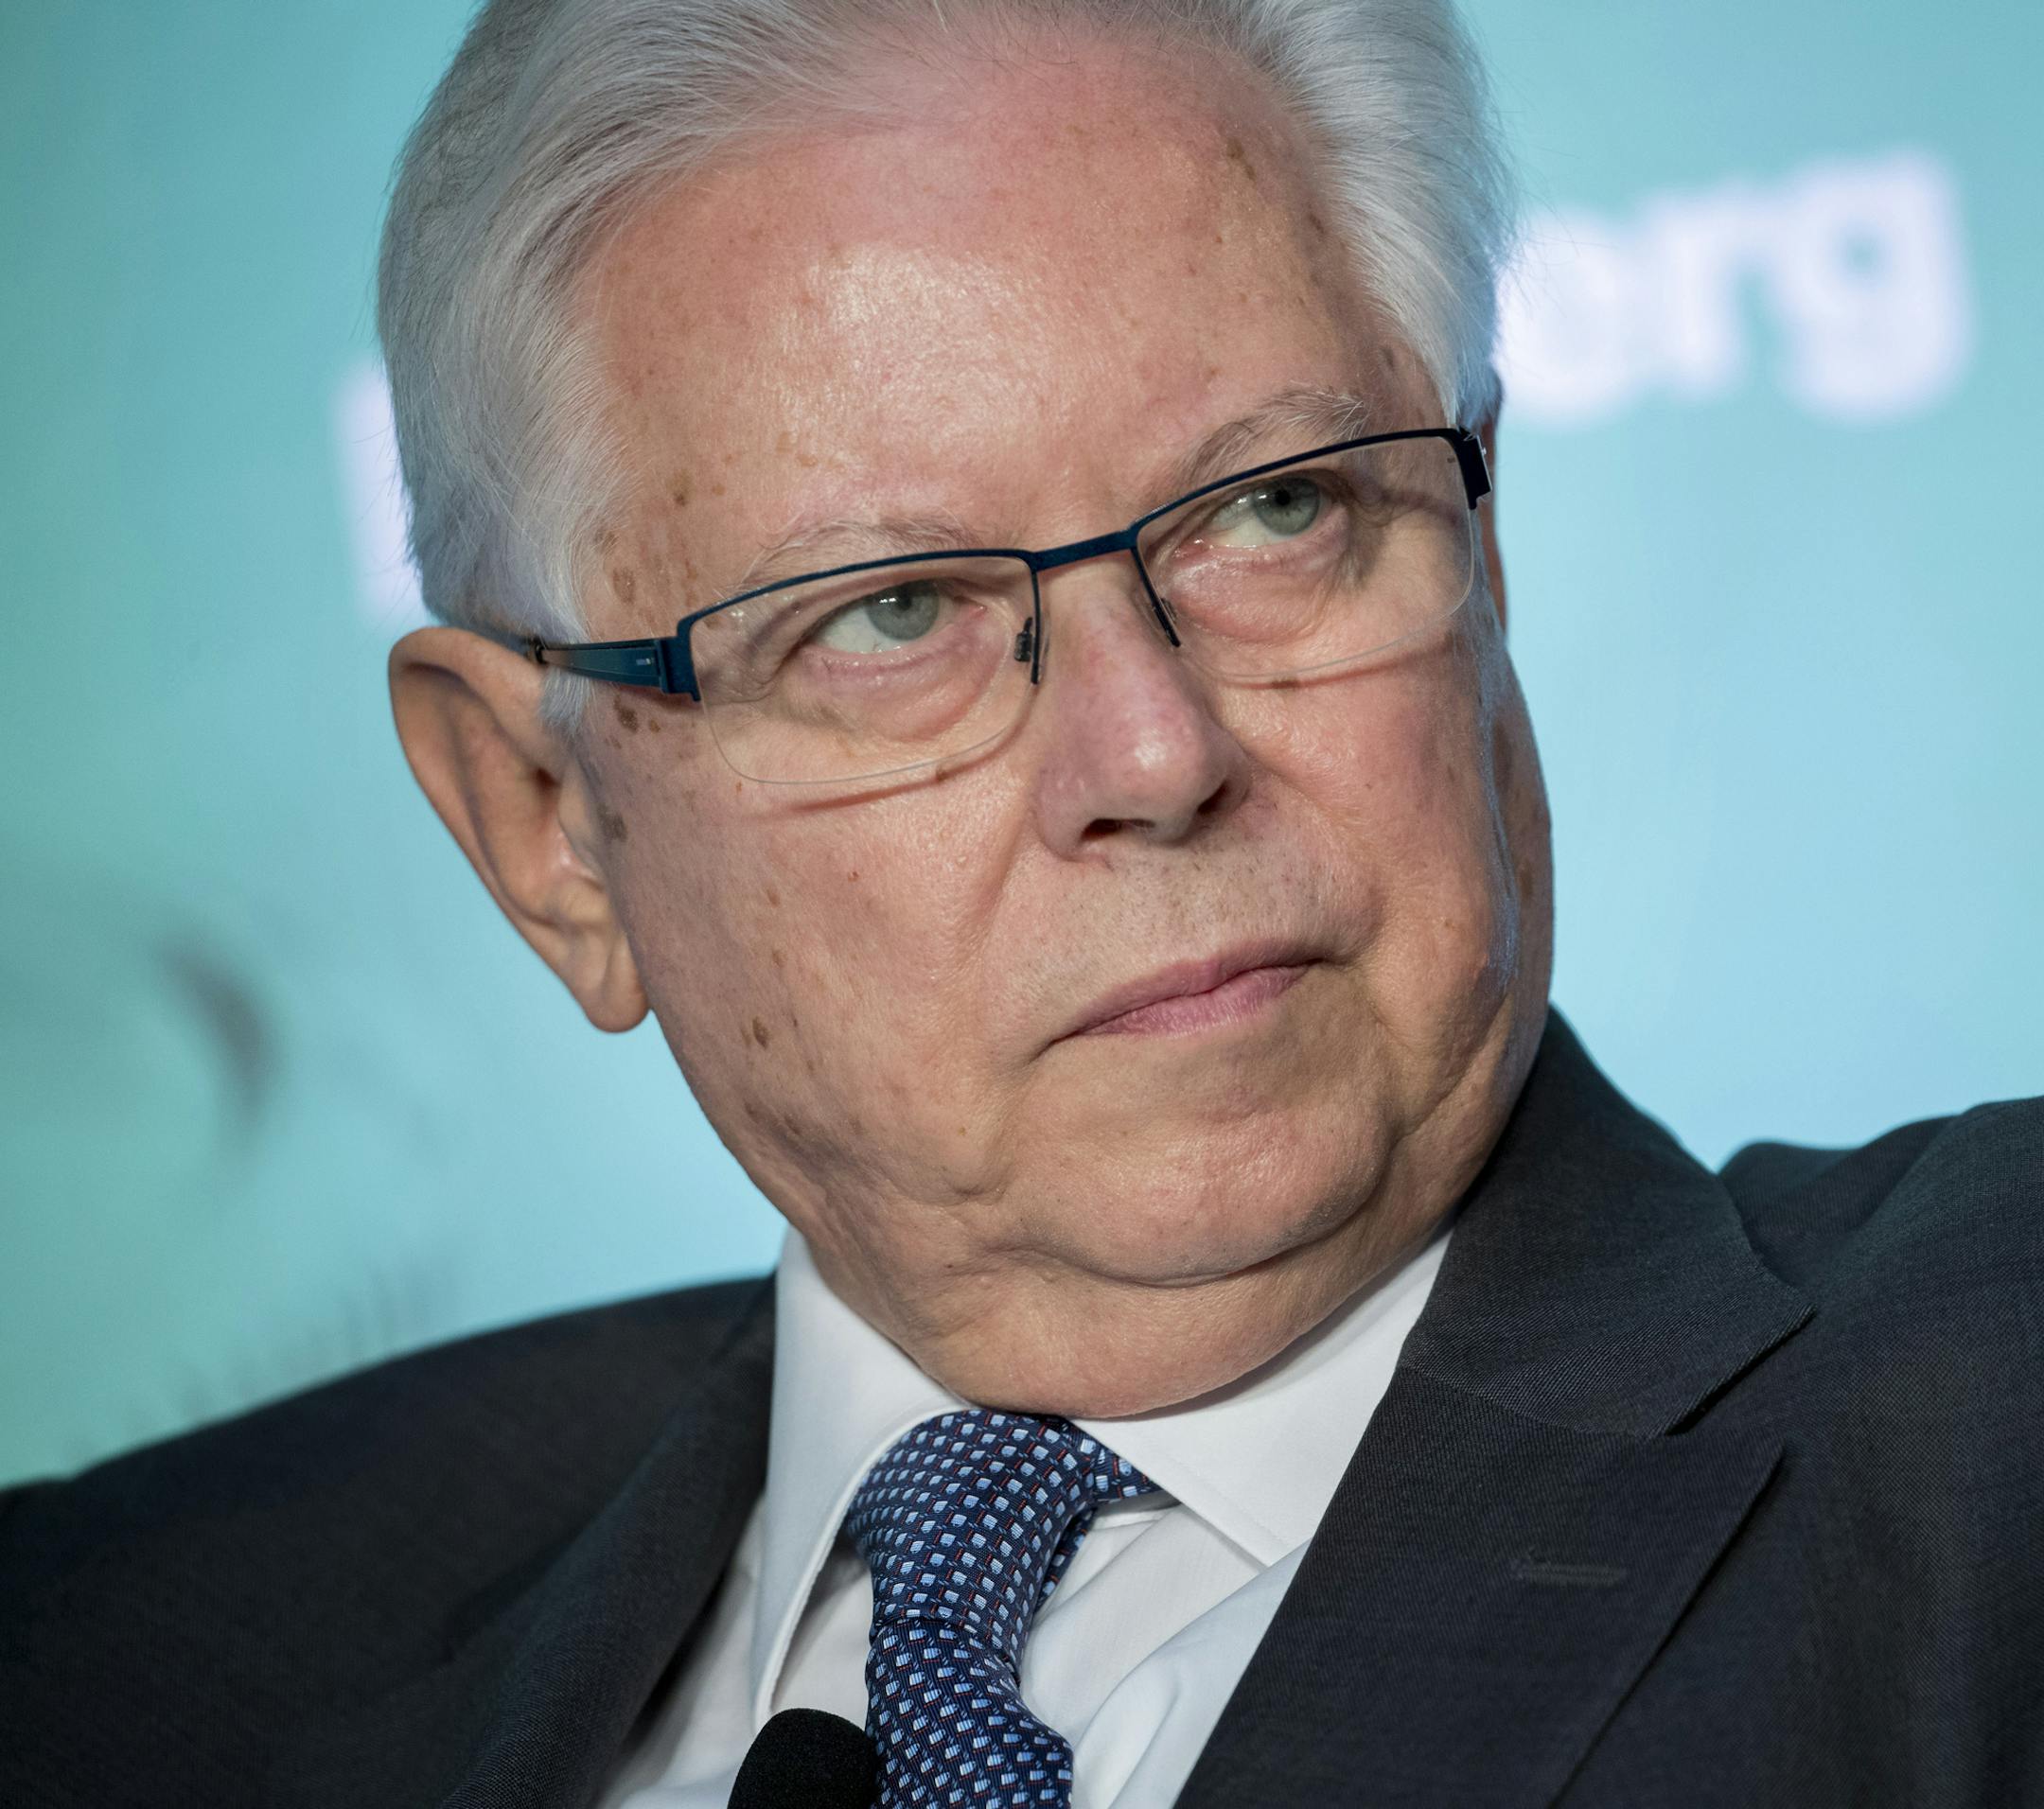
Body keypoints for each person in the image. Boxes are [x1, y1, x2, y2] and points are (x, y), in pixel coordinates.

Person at [3, 0, 2039, 1803]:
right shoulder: (103, 1662)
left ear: (1479, 556)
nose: (1156, 757)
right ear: (544, 819)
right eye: (890, 614)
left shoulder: (1981, 1433)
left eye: (1280, 507)